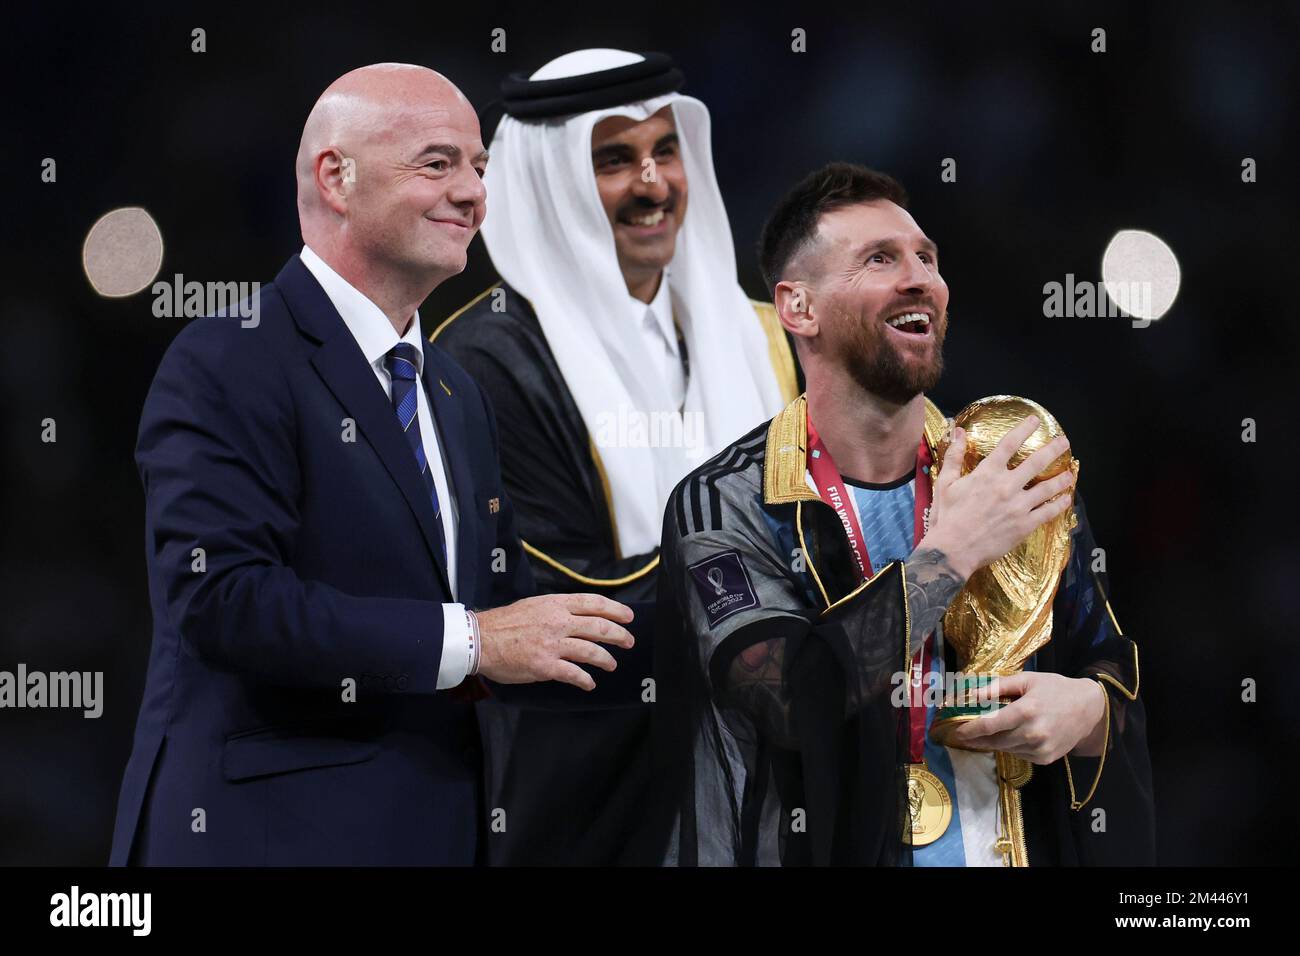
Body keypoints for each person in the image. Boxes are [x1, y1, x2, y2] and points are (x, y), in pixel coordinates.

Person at [108, 63, 634, 867]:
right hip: (263, 840)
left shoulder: (454, 390)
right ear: (336, 176)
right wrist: (472, 641)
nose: (472, 194)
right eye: (438, 163)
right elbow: (222, 599)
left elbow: (515, 621)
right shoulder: (229, 355)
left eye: (480, 168)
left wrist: (747, 631)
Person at [646, 162, 1153, 866]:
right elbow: (791, 700)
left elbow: (1108, 666)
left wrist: (1089, 713)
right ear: (799, 308)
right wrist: (951, 554)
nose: (920, 278)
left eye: (927, 258)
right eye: (879, 259)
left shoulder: (1010, 472)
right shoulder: (726, 501)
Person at [434, 49, 798, 864]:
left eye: (665, 150)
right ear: (555, 182)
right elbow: (567, 606)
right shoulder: (483, 363)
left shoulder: (759, 337)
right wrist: (789, 594)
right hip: (594, 794)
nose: (653, 183)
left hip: (774, 782)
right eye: (614, 160)